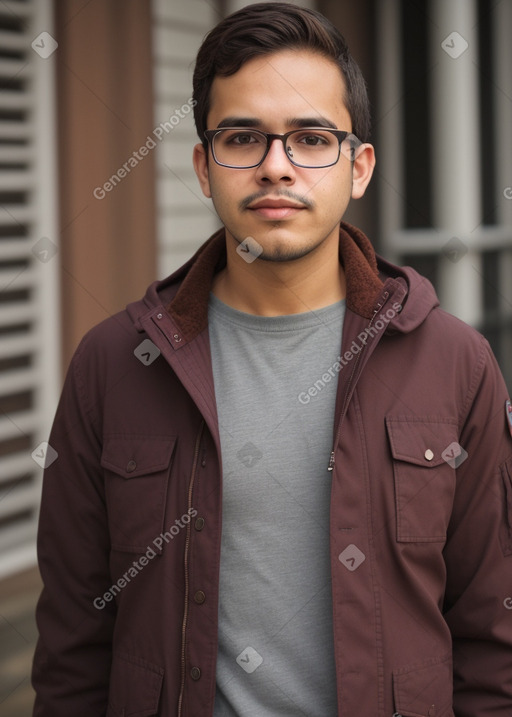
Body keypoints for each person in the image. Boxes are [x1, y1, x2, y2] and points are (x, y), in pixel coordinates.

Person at [32, 3, 512, 716]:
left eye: (312, 138)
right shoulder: (113, 364)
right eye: (243, 137)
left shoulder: (454, 363)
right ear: (203, 165)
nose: (275, 166)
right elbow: (74, 644)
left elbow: (492, 639)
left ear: (359, 167)